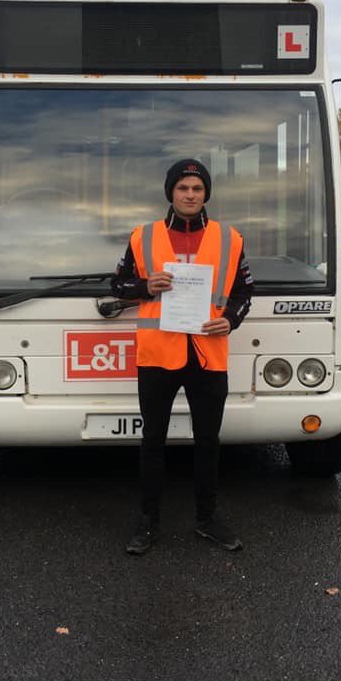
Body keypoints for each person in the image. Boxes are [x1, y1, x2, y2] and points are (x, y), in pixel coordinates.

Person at [112, 158, 254, 555]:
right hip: (158, 354)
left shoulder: (230, 238)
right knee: (152, 440)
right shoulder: (143, 236)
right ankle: (148, 521)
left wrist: (231, 319)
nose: (190, 195)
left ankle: (207, 519)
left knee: (208, 440)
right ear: (171, 193)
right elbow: (118, 285)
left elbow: (245, 292)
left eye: (197, 188)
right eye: (182, 188)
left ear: (206, 194)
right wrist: (145, 286)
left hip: (208, 354)